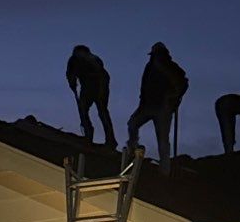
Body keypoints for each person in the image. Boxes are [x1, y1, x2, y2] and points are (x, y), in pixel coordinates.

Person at [126, 42, 189, 173]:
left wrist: (173, 97)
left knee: (162, 138)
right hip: (147, 105)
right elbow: (144, 86)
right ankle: (133, 150)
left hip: (163, 108)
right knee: (132, 124)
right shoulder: (149, 67)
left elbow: (183, 83)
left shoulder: (172, 67)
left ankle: (165, 169)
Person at [65, 45, 116, 148]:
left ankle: (110, 140)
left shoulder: (94, 60)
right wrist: (72, 83)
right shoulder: (73, 61)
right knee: (84, 110)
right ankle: (89, 133)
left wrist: (101, 93)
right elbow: (70, 75)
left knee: (101, 111)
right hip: (87, 86)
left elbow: (102, 76)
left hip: (99, 85)